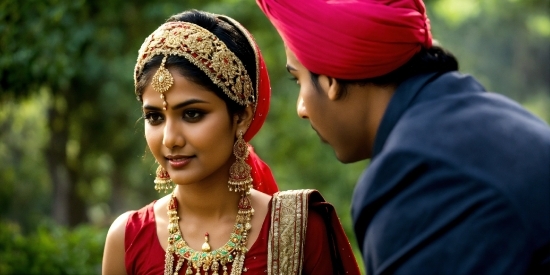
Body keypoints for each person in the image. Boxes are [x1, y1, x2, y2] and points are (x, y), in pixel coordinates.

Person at [256, 0, 550, 274]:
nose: (302, 109)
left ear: (330, 79)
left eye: (299, 80)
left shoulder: (416, 175)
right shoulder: (474, 116)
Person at [101, 9, 360, 275]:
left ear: (241, 118)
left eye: (192, 114)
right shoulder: (127, 238)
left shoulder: (300, 228)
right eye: (154, 117)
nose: (170, 139)